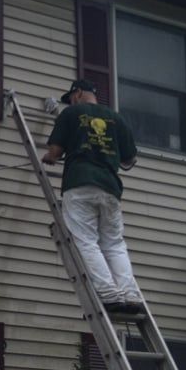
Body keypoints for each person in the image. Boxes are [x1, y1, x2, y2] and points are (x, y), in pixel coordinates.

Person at [41, 78, 141, 314]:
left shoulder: (70, 113)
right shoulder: (117, 119)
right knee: (114, 244)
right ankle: (130, 294)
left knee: (85, 240)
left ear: (76, 93)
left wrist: (49, 157)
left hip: (80, 184)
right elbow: (129, 160)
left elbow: (55, 152)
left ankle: (108, 293)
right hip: (110, 189)